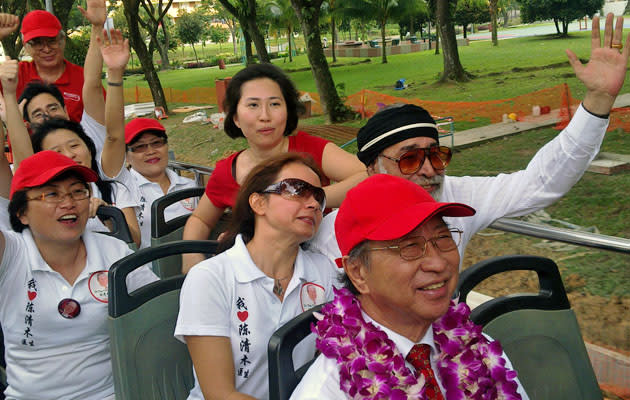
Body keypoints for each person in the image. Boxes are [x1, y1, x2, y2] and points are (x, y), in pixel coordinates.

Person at [308, 13, 630, 266]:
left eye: (436, 155)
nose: (430, 170)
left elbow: (539, 183)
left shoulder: (456, 197)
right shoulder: (333, 235)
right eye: (409, 158)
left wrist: (598, 101)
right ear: (373, 170)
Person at [291, 174, 529, 399]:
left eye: (443, 238)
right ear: (358, 273)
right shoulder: (328, 391)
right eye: (409, 247)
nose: (438, 263)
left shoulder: (480, 353)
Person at [175, 153, 336, 400]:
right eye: (297, 190)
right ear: (258, 203)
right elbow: (220, 394)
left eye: (318, 196)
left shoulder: (323, 272)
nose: (313, 203)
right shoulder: (210, 278)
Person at [0, 150, 157, 400]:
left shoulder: (113, 251)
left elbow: (159, 313)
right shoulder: (11, 255)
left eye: (77, 191)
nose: (69, 202)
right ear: (22, 212)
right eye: (52, 193)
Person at [181, 63, 366, 273]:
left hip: (322, 266)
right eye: (253, 105)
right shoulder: (227, 171)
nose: (265, 116)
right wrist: (191, 259)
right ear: (235, 118)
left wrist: (310, 197)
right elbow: (200, 219)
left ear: (287, 110)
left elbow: (367, 177)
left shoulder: (311, 149)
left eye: (275, 104)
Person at [0, 10, 95, 123]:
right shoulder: (15, 75)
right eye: (38, 43)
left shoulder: (83, 79)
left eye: (52, 41)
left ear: (63, 40)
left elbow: (105, 123)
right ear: (25, 46)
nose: (46, 49)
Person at [124, 118, 198, 249]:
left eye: (156, 143)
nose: (151, 151)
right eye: (140, 147)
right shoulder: (123, 193)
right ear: (126, 156)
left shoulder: (190, 186)